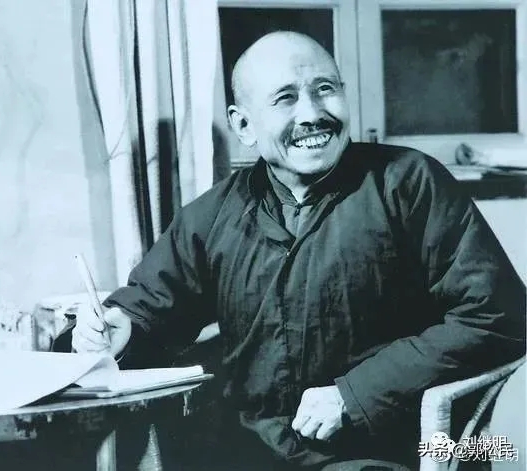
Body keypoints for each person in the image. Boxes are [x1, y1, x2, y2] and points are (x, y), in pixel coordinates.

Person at [68, 32, 526, 470]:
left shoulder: (408, 184)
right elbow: (149, 310)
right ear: (243, 125)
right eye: (285, 98)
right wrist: (120, 332)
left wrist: (355, 394)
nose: (312, 113)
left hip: (382, 451)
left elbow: (500, 315)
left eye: (325, 89)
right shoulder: (211, 216)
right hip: (245, 451)